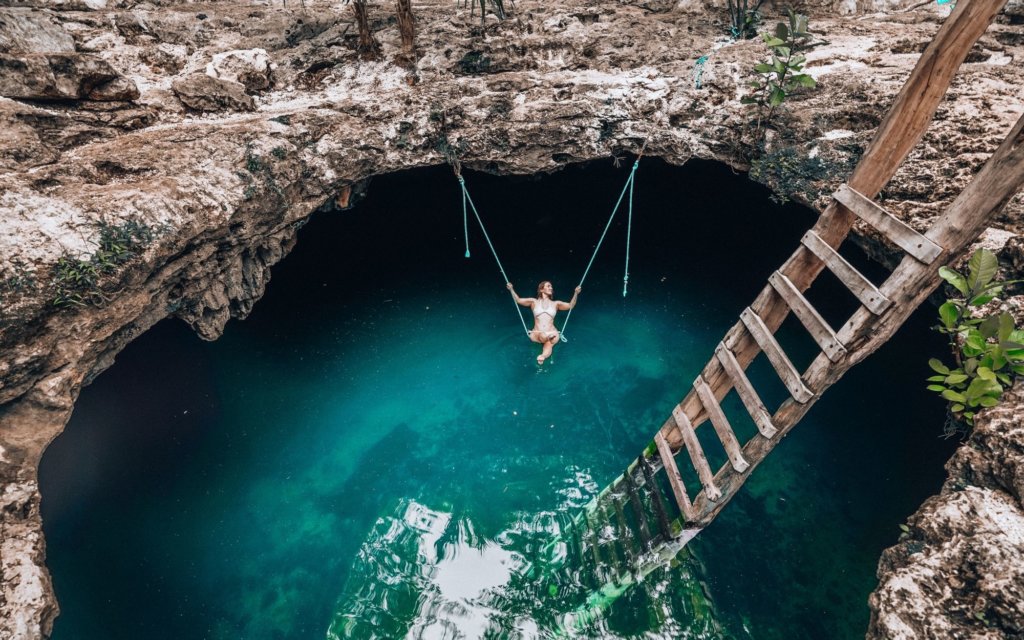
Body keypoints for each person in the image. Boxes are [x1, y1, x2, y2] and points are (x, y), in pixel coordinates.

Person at [506, 281, 581, 365]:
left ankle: (543, 356)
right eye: (548, 286)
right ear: (541, 289)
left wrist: (576, 293)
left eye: (551, 287)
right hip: (537, 333)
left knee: (549, 344)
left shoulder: (556, 303)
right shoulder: (533, 302)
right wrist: (511, 289)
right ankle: (547, 338)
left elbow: (570, 305)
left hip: (552, 332)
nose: (551, 288)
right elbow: (518, 300)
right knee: (544, 336)